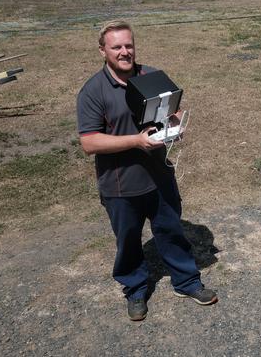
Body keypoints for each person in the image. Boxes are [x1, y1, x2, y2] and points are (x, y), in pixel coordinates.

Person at [76, 20, 217, 321]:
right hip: (120, 184)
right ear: (103, 50)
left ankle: (187, 282)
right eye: (117, 47)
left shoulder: (152, 76)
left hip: (160, 177)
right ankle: (136, 289)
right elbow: (89, 142)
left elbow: (174, 110)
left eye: (129, 45)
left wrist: (176, 125)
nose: (124, 52)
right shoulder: (93, 90)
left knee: (171, 230)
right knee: (127, 241)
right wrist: (136, 141)